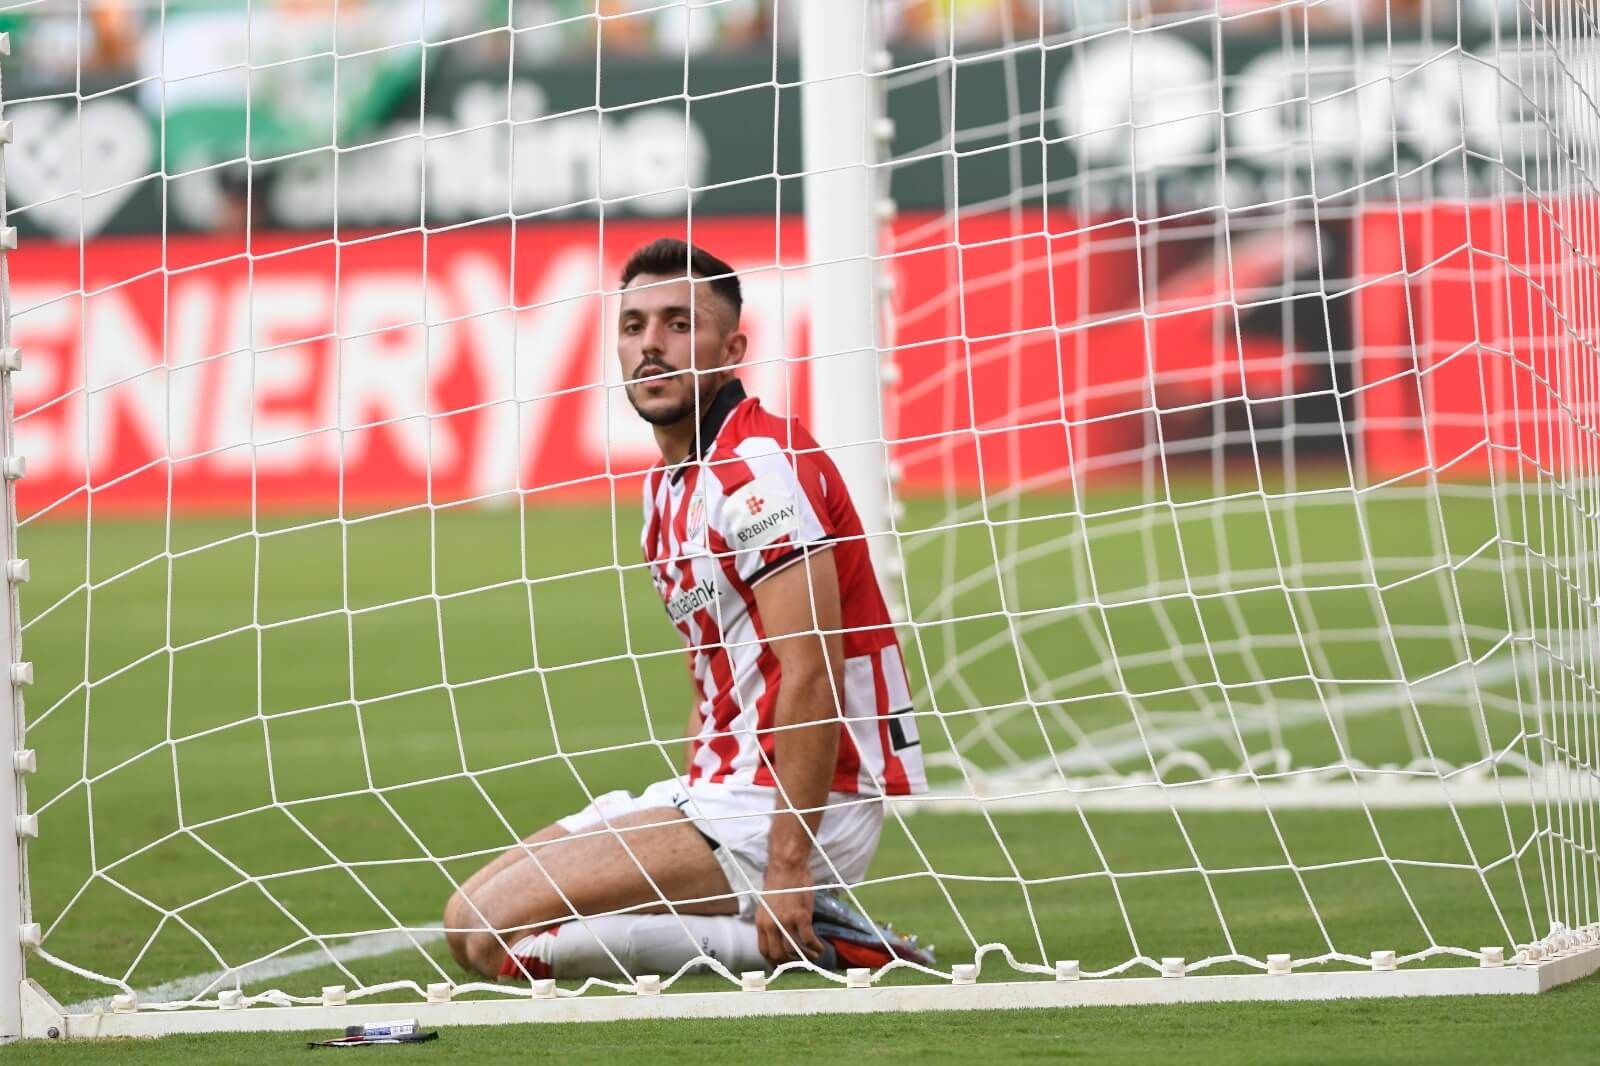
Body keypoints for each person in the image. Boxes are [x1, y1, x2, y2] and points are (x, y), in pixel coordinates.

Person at [443, 238, 931, 982]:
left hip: (800, 801)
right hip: (718, 789)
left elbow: (812, 673)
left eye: (679, 324)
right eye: (634, 326)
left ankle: (829, 941)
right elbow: (713, 668)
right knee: (464, 920)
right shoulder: (668, 487)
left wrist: (788, 859)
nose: (651, 346)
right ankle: (747, 911)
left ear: (732, 346)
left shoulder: (757, 473)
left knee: (498, 934)